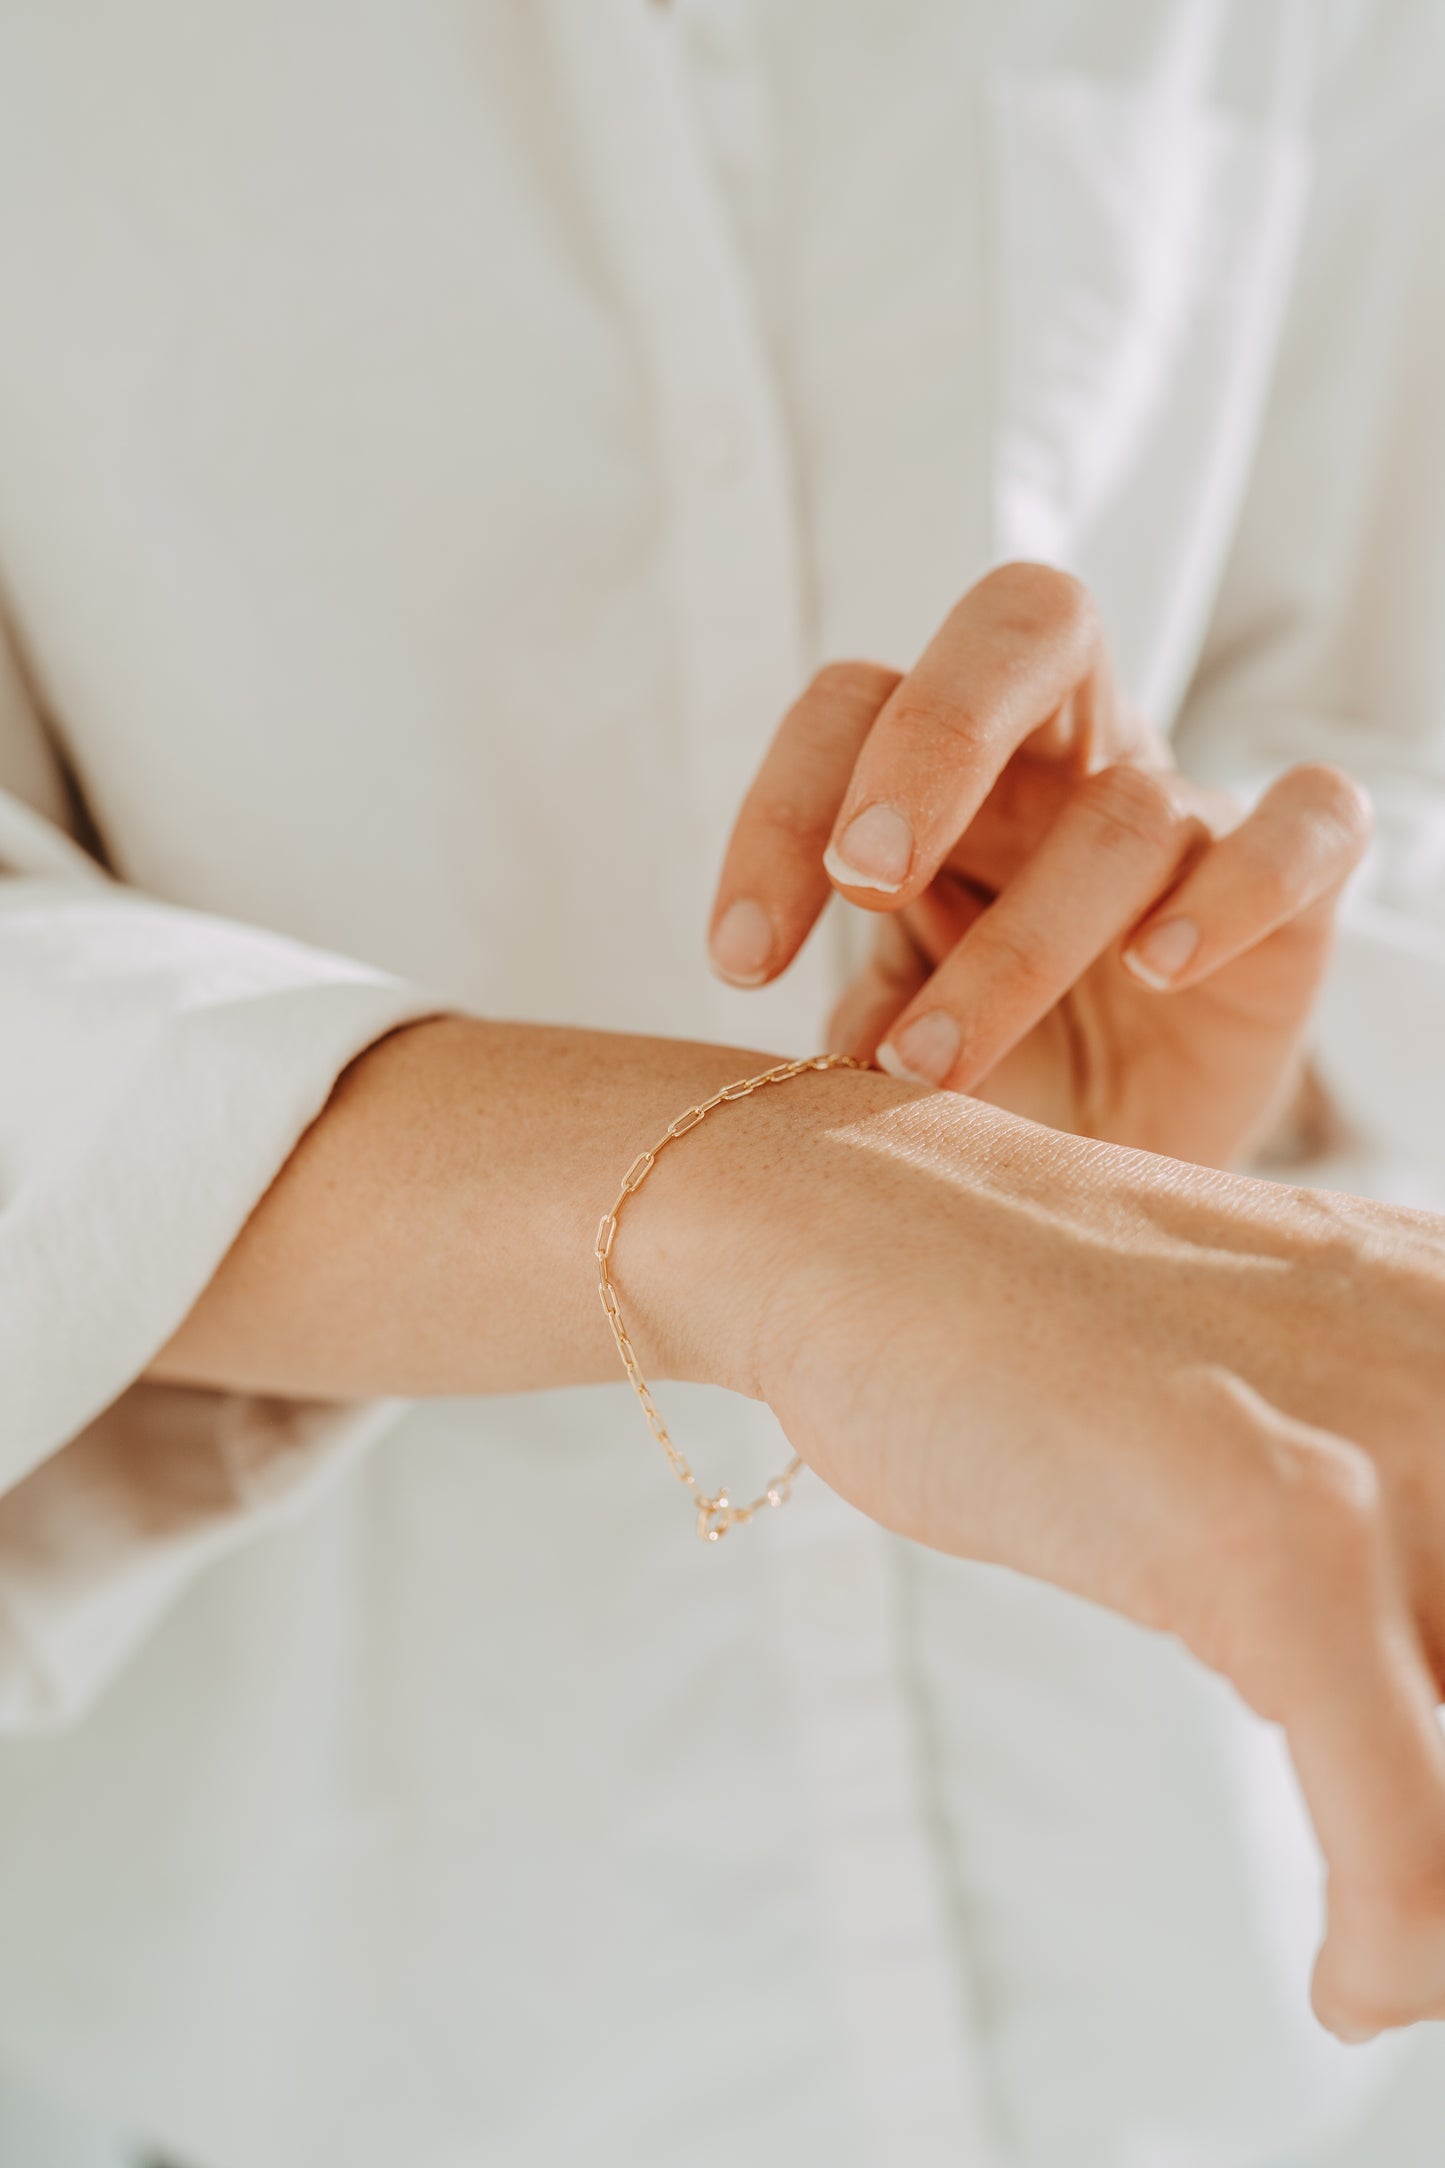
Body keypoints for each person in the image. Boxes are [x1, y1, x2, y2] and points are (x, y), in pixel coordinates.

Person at [1, 4, 1444, 2164]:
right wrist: (793, 1206)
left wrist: (1226, 975)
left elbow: (1383, 676)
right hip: (308, 2035)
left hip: (1243, 2018)